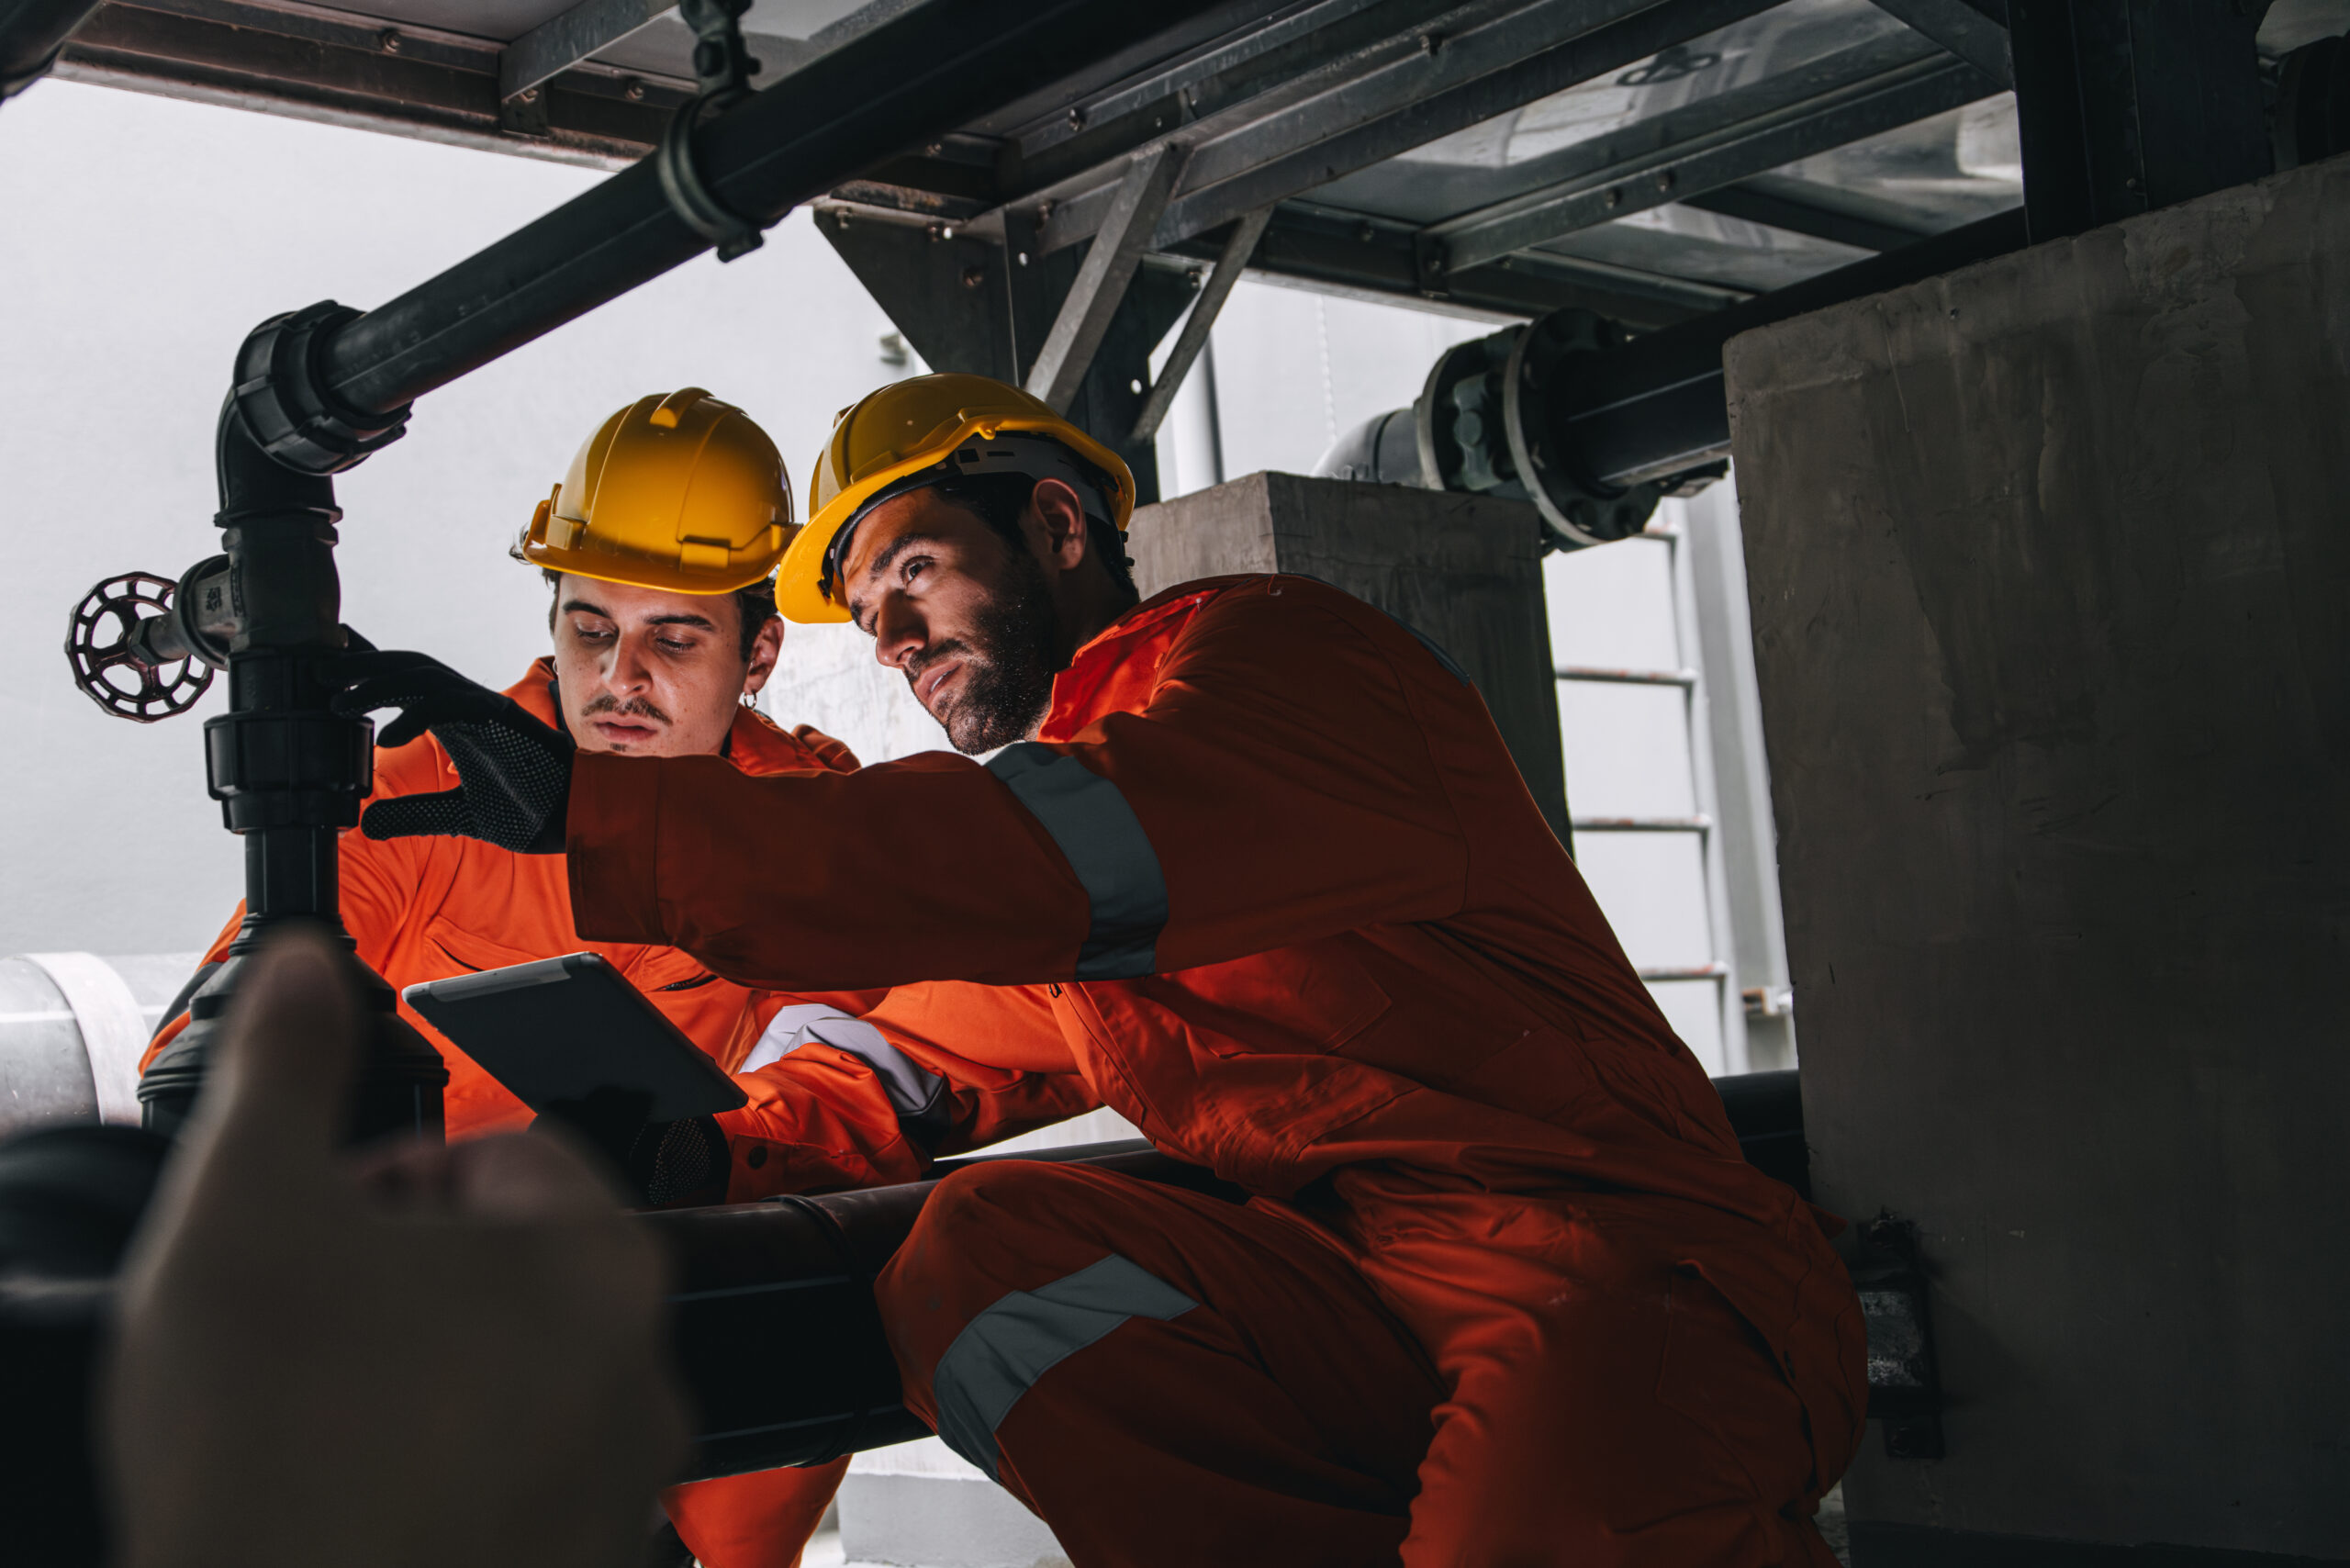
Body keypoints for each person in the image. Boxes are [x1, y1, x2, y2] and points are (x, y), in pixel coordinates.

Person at [333, 374, 1869, 1567]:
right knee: (980, 1252)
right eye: (869, 619)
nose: (894, 639)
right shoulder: (1075, 859)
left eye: (913, 571)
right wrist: (697, 1147)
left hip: (1622, 1278)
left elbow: (1004, 861)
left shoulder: (1270, 670)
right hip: (1365, 1286)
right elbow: (904, 1058)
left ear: (1058, 524)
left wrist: (596, 813)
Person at [148, 388, 1082, 1568]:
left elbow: (885, 1066)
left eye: (672, 638)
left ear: (761, 653)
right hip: (434, 1323)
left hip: (713, 1306)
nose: (618, 678)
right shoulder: (415, 796)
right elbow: (202, 1069)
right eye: (588, 627)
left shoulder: (817, 822)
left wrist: (685, 1154)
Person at [106, 925, 688, 1568]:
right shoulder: (398, 847)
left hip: (597, 1341)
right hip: (429, 1277)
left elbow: (818, 1071)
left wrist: (723, 1149)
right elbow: (215, 1031)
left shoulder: (780, 891)